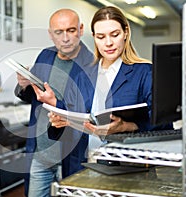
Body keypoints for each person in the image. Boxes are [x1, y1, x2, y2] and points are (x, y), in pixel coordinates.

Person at [34, 6, 173, 161]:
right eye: (101, 37)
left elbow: (165, 126)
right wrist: (58, 121)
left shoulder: (145, 73)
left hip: (125, 164)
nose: (108, 43)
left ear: (125, 33)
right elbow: (71, 121)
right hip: (81, 164)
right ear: (94, 37)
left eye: (115, 35)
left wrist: (127, 126)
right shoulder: (83, 74)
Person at [14, 9, 94, 197]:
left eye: (71, 30)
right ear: (51, 34)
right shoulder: (45, 56)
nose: (65, 38)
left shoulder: (91, 63)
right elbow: (33, 98)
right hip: (40, 155)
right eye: (59, 32)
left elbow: (87, 111)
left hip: (71, 157)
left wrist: (56, 103)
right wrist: (23, 85)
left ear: (81, 30)